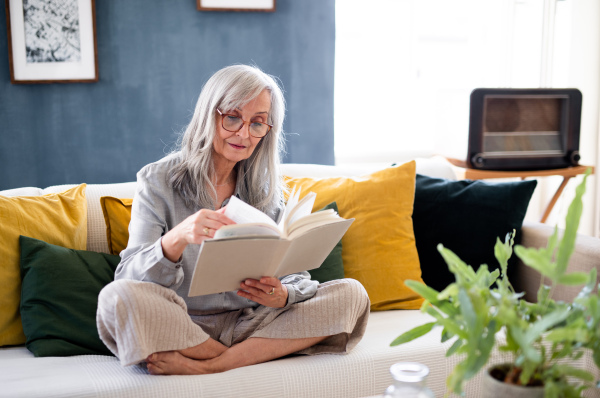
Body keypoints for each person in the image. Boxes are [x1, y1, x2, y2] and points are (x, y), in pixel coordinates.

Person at [96, 64, 370, 376]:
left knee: (352, 294)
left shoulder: (268, 193)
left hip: (252, 323)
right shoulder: (158, 180)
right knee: (115, 298)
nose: (243, 133)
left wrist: (282, 295)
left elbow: (296, 277)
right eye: (232, 118)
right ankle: (235, 358)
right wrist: (177, 238)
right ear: (209, 115)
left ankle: (213, 365)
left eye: (258, 123)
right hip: (183, 323)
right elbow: (128, 276)